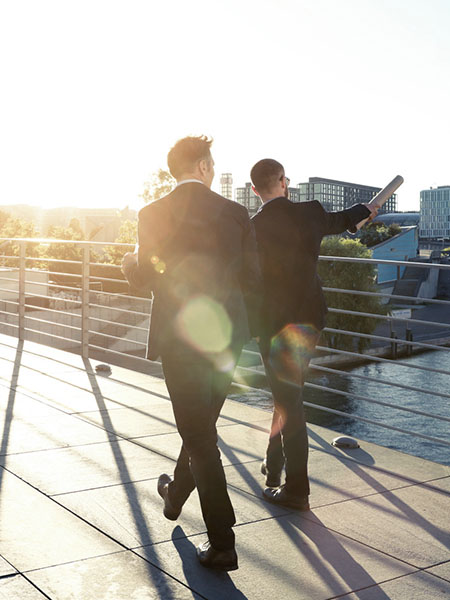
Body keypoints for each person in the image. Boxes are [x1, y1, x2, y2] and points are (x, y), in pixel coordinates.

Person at [122, 136, 261, 571]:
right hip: (226, 336)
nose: (214, 169)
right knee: (201, 428)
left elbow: (143, 278)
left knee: (199, 435)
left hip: (181, 338)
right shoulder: (237, 213)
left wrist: (130, 261)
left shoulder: (152, 214)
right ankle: (175, 496)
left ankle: (223, 543)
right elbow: (253, 276)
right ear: (202, 166)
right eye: (212, 163)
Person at [250, 159, 377, 511]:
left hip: (273, 325)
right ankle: (274, 469)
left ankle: (297, 490)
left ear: (255, 190)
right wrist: (366, 209)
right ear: (283, 182)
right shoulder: (309, 212)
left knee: (288, 400)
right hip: (308, 320)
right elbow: (343, 219)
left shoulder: (253, 227)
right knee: (288, 395)